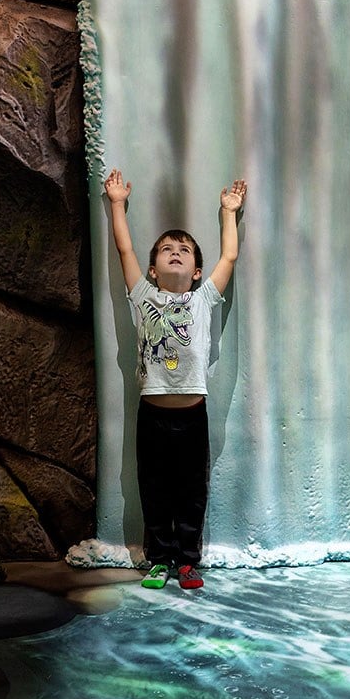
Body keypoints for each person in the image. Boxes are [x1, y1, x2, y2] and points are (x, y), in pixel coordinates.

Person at [105, 167, 247, 590]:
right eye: (166, 250)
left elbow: (230, 258)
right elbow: (124, 251)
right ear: (153, 270)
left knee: (190, 491)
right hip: (152, 413)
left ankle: (187, 561)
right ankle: (158, 558)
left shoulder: (203, 298)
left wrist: (228, 213)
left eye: (184, 251)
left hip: (192, 414)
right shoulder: (144, 295)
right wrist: (117, 204)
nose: (175, 253)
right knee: (153, 489)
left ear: (197, 271)